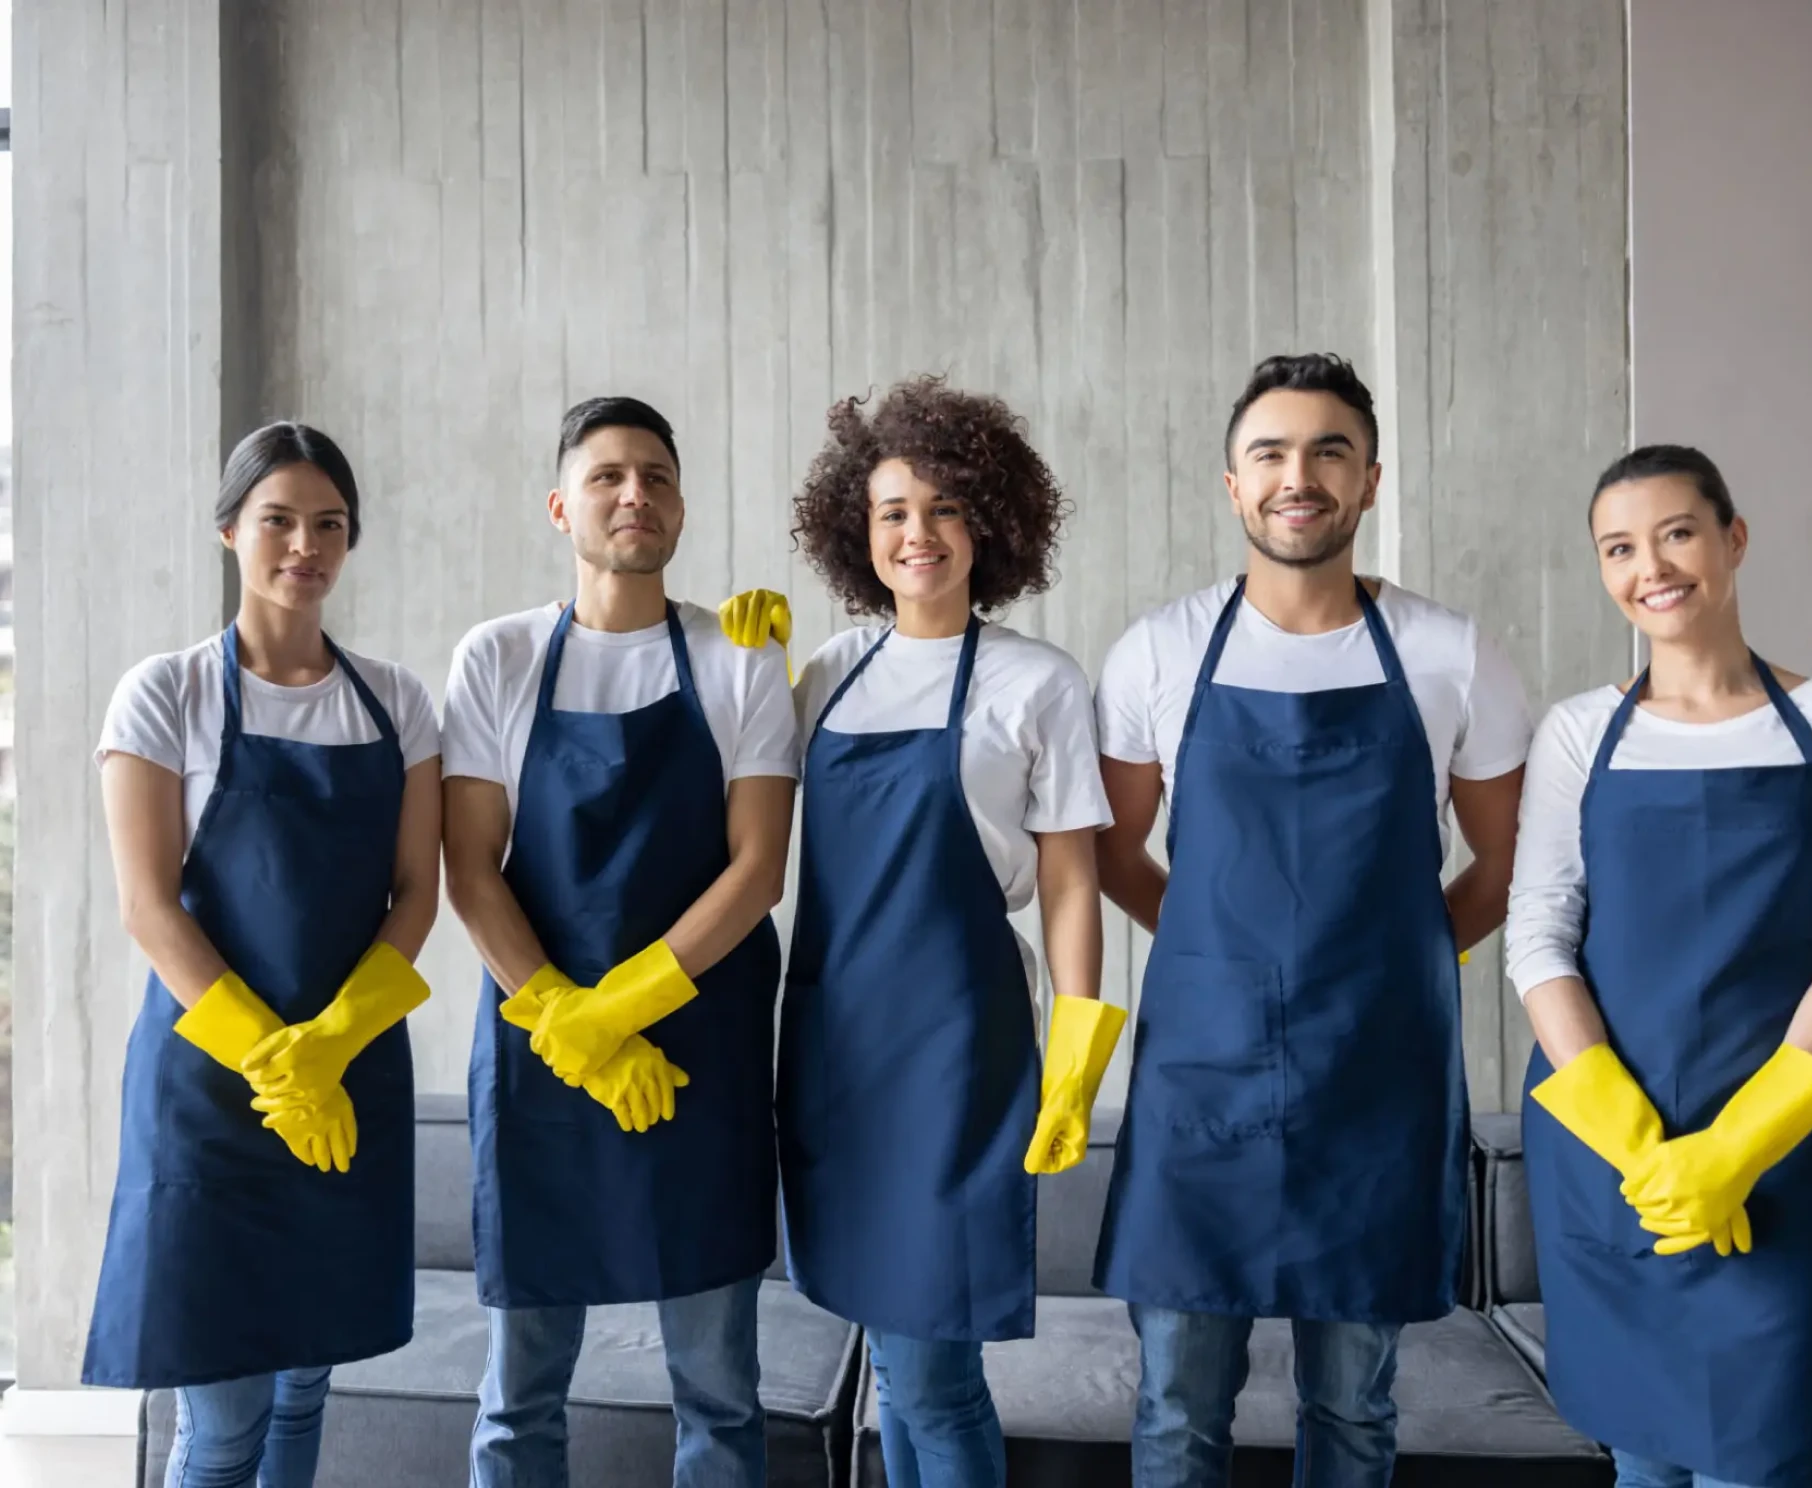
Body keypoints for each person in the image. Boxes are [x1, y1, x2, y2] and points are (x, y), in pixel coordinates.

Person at [1090, 354, 1532, 1487]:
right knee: (1178, 1408)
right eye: (1272, 454)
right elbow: (1107, 847)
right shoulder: (1161, 650)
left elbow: (1511, 856)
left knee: (1353, 1409)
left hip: (1375, 1073)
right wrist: (1205, 945)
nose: (1301, 476)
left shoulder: (1452, 653)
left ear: (1371, 480)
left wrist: (1407, 955)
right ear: (1232, 485)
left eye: (1330, 451)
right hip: (1203, 1075)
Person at [721, 376, 1126, 1488]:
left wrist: (1079, 1061)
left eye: (945, 508)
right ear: (859, 530)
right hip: (839, 1049)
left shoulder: (1037, 683)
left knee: (936, 1373)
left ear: (988, 523)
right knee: (896, 1370)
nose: (919, 533)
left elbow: (1072, 885)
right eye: (895, 510)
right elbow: (729, 820)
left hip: (959, 1052)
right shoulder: (823, 678)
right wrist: (732, 665)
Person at [1511, 445, 1812, 1488]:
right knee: (1643, 1459)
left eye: (1677, 532)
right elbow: (1539, 934)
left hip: (1788, 1146)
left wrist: (1737, 1145)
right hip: (1610, 1149)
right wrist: (1643, 1148)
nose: (1653, 565)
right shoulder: (1578, 734)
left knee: (1771, 1452)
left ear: (1733, 539)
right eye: (1619, 547)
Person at [442, 396, 798, 1488]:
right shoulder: (497, 657)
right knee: (519, 1397)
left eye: (655, 476)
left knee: (721, 1397)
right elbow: (470, 865)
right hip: (544, 1063)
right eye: (607, 477)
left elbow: (757, 869)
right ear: (562, 506)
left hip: (701, 1059)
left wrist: (625, 1007)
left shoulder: (740, 656)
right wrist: (568, 1018)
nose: (633, 493)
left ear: (681, 506)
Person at [83, 422, 442, 1488]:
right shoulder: (166, 693)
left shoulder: (397, 702)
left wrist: (332, 1046)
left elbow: (416, 896)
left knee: (304, 1397)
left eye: (328, 524)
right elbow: (150, 908)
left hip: (352, 1072)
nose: (304, 545)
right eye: (278, 519)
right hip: (212, 1090)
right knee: (227, 1414)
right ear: (230, 530)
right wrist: (276, 1062)